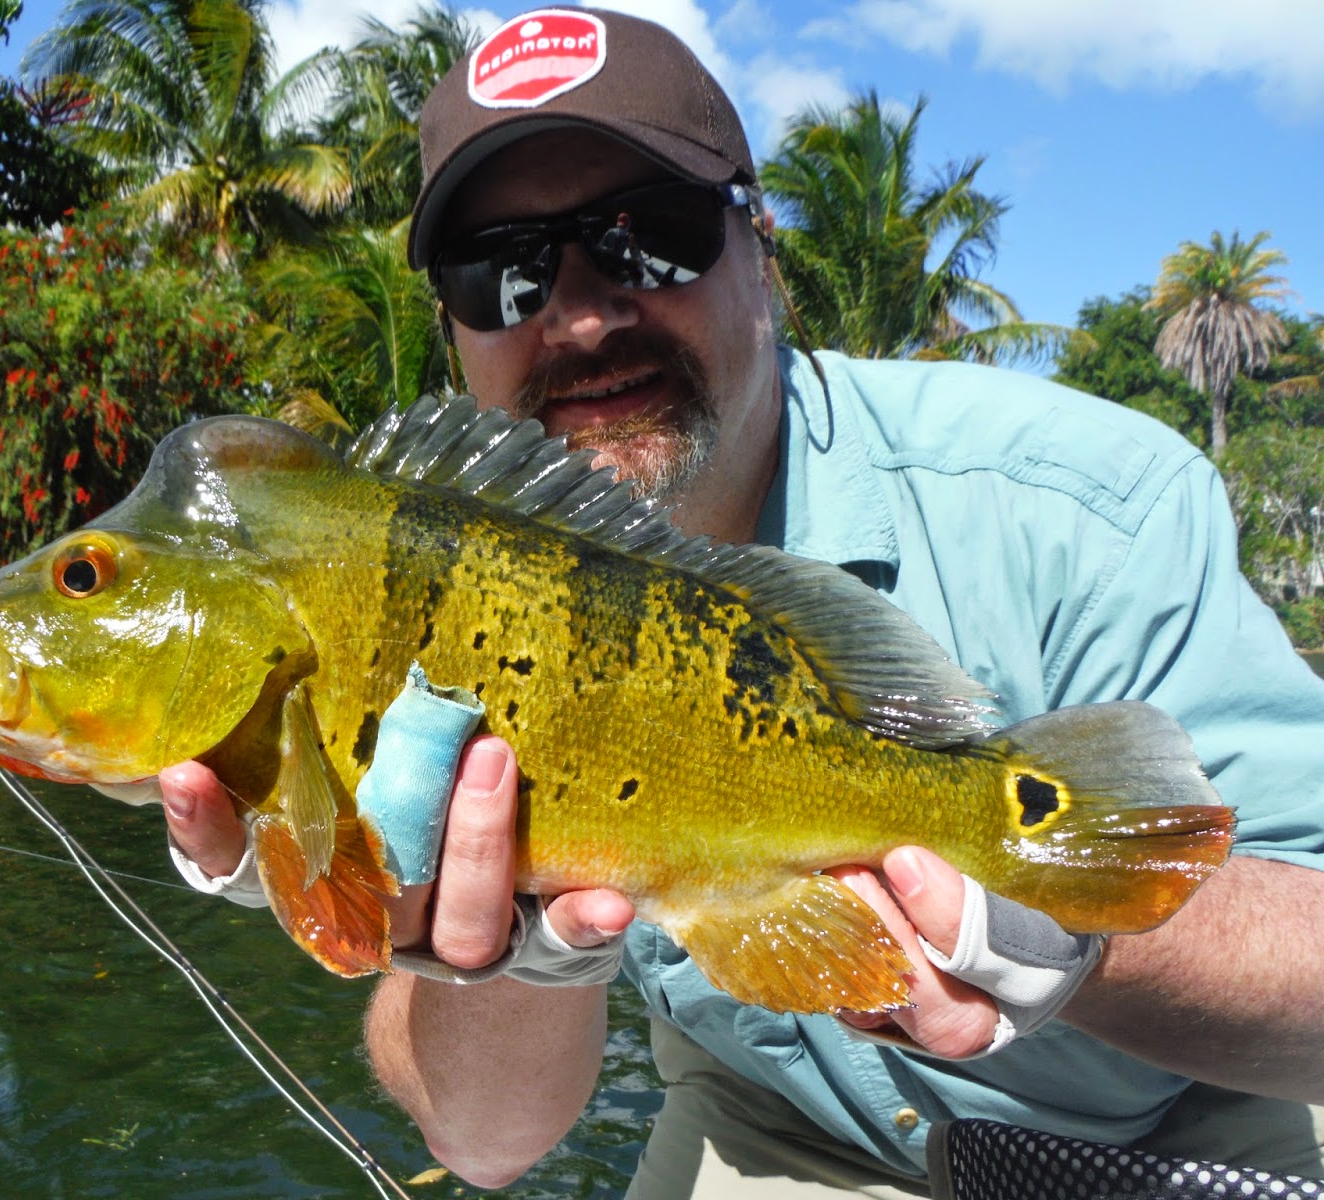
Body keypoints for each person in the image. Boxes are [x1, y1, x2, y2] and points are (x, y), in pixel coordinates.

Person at [158, 8, 1324, 1196]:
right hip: (779, 1124)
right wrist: (501, 957)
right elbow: (487, 1144)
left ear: (758, 246)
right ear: (452, 325)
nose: (579, 315)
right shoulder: (417, 586)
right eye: (500, 272)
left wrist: (1076, 941)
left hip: (1179, 1137)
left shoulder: (1093, 502)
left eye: (645, 239)